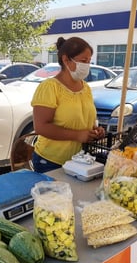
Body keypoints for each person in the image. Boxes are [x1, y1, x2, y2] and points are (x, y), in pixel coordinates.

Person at [31, 36, 105, 173]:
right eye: (83, 61)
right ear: (66, 60)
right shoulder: (49, 87)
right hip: (51, 161)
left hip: (80, 161)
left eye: (89, 61)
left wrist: (95, 130)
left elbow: (83, 119)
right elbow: (41, 127)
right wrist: (77, 135)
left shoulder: (86, 88)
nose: (87, 65)